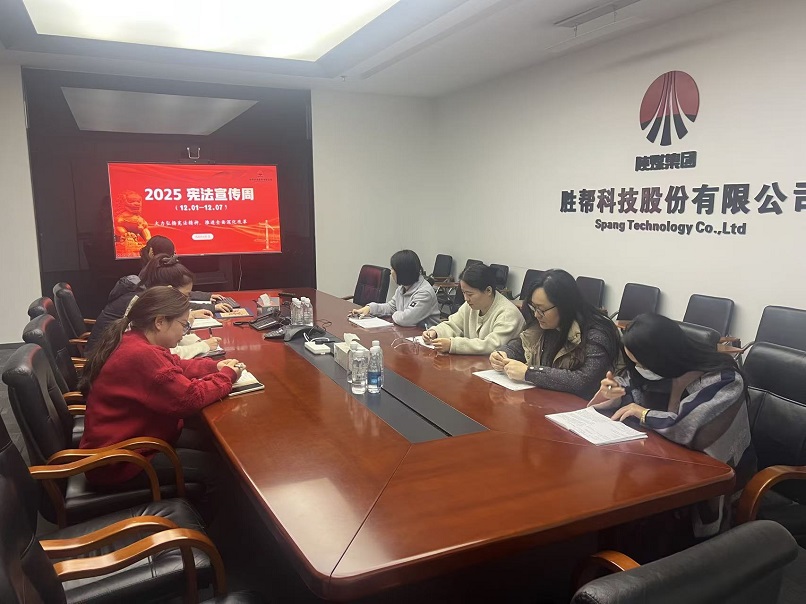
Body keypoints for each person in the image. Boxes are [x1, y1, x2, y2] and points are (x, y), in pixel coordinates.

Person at [78, 286, 244, 519]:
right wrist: (227, 376)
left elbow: (173, 365)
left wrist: (214, 366)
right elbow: (189, 399)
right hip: (120, 462)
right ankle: (210, 532)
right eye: (183, 325)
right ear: (159, 322)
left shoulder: (135, 340)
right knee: (218, 470)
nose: (184, 332)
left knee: (212, 444)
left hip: (131, 441)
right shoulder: (141, 354)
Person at [589, 313, 756, 537]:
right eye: (635, 363)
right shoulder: (657, 369)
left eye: (642, 364)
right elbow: (629, 390)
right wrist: (612, 394)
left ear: (665, 354)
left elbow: (688, 425)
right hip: (662, 458)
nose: (639, 369)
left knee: (642, 515)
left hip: (714, 475)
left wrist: (643, 413)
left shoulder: (724, 379)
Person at [490, 269, 620, 399]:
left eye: (541, 309)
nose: (536, 314)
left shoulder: (596, 334)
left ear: (564, 306)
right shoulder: (543, 324)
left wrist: (529, 373)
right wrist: (502, 354)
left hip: (580, 406)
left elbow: (584, 382)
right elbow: (520, 346)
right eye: (533, 307)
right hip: (547, 400)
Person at [86, 254, 227, 357]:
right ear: (169, 290)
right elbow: (162, 354)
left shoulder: (147, 299)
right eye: (185, 295)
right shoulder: (144, 307)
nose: (186, 301)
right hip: (101, 361)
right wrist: (202, 345)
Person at [422, 263, 524, 354]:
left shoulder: (508, 313)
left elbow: (493, 345)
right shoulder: (471, 305)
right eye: (463, 293)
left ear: (488, 290)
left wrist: (453, 345)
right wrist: (436, 332)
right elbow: (454, 324)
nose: (466, 299)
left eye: (470, 294)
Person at [350, 250, 440, 327]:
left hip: (423, 337)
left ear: (403, 272)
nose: (391, 271)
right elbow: (391, 307)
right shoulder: (402, 288)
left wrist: (395, 313)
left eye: (393, 269)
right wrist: (370, 308)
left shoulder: (424, 293)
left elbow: (406, 319)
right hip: (406, 333)